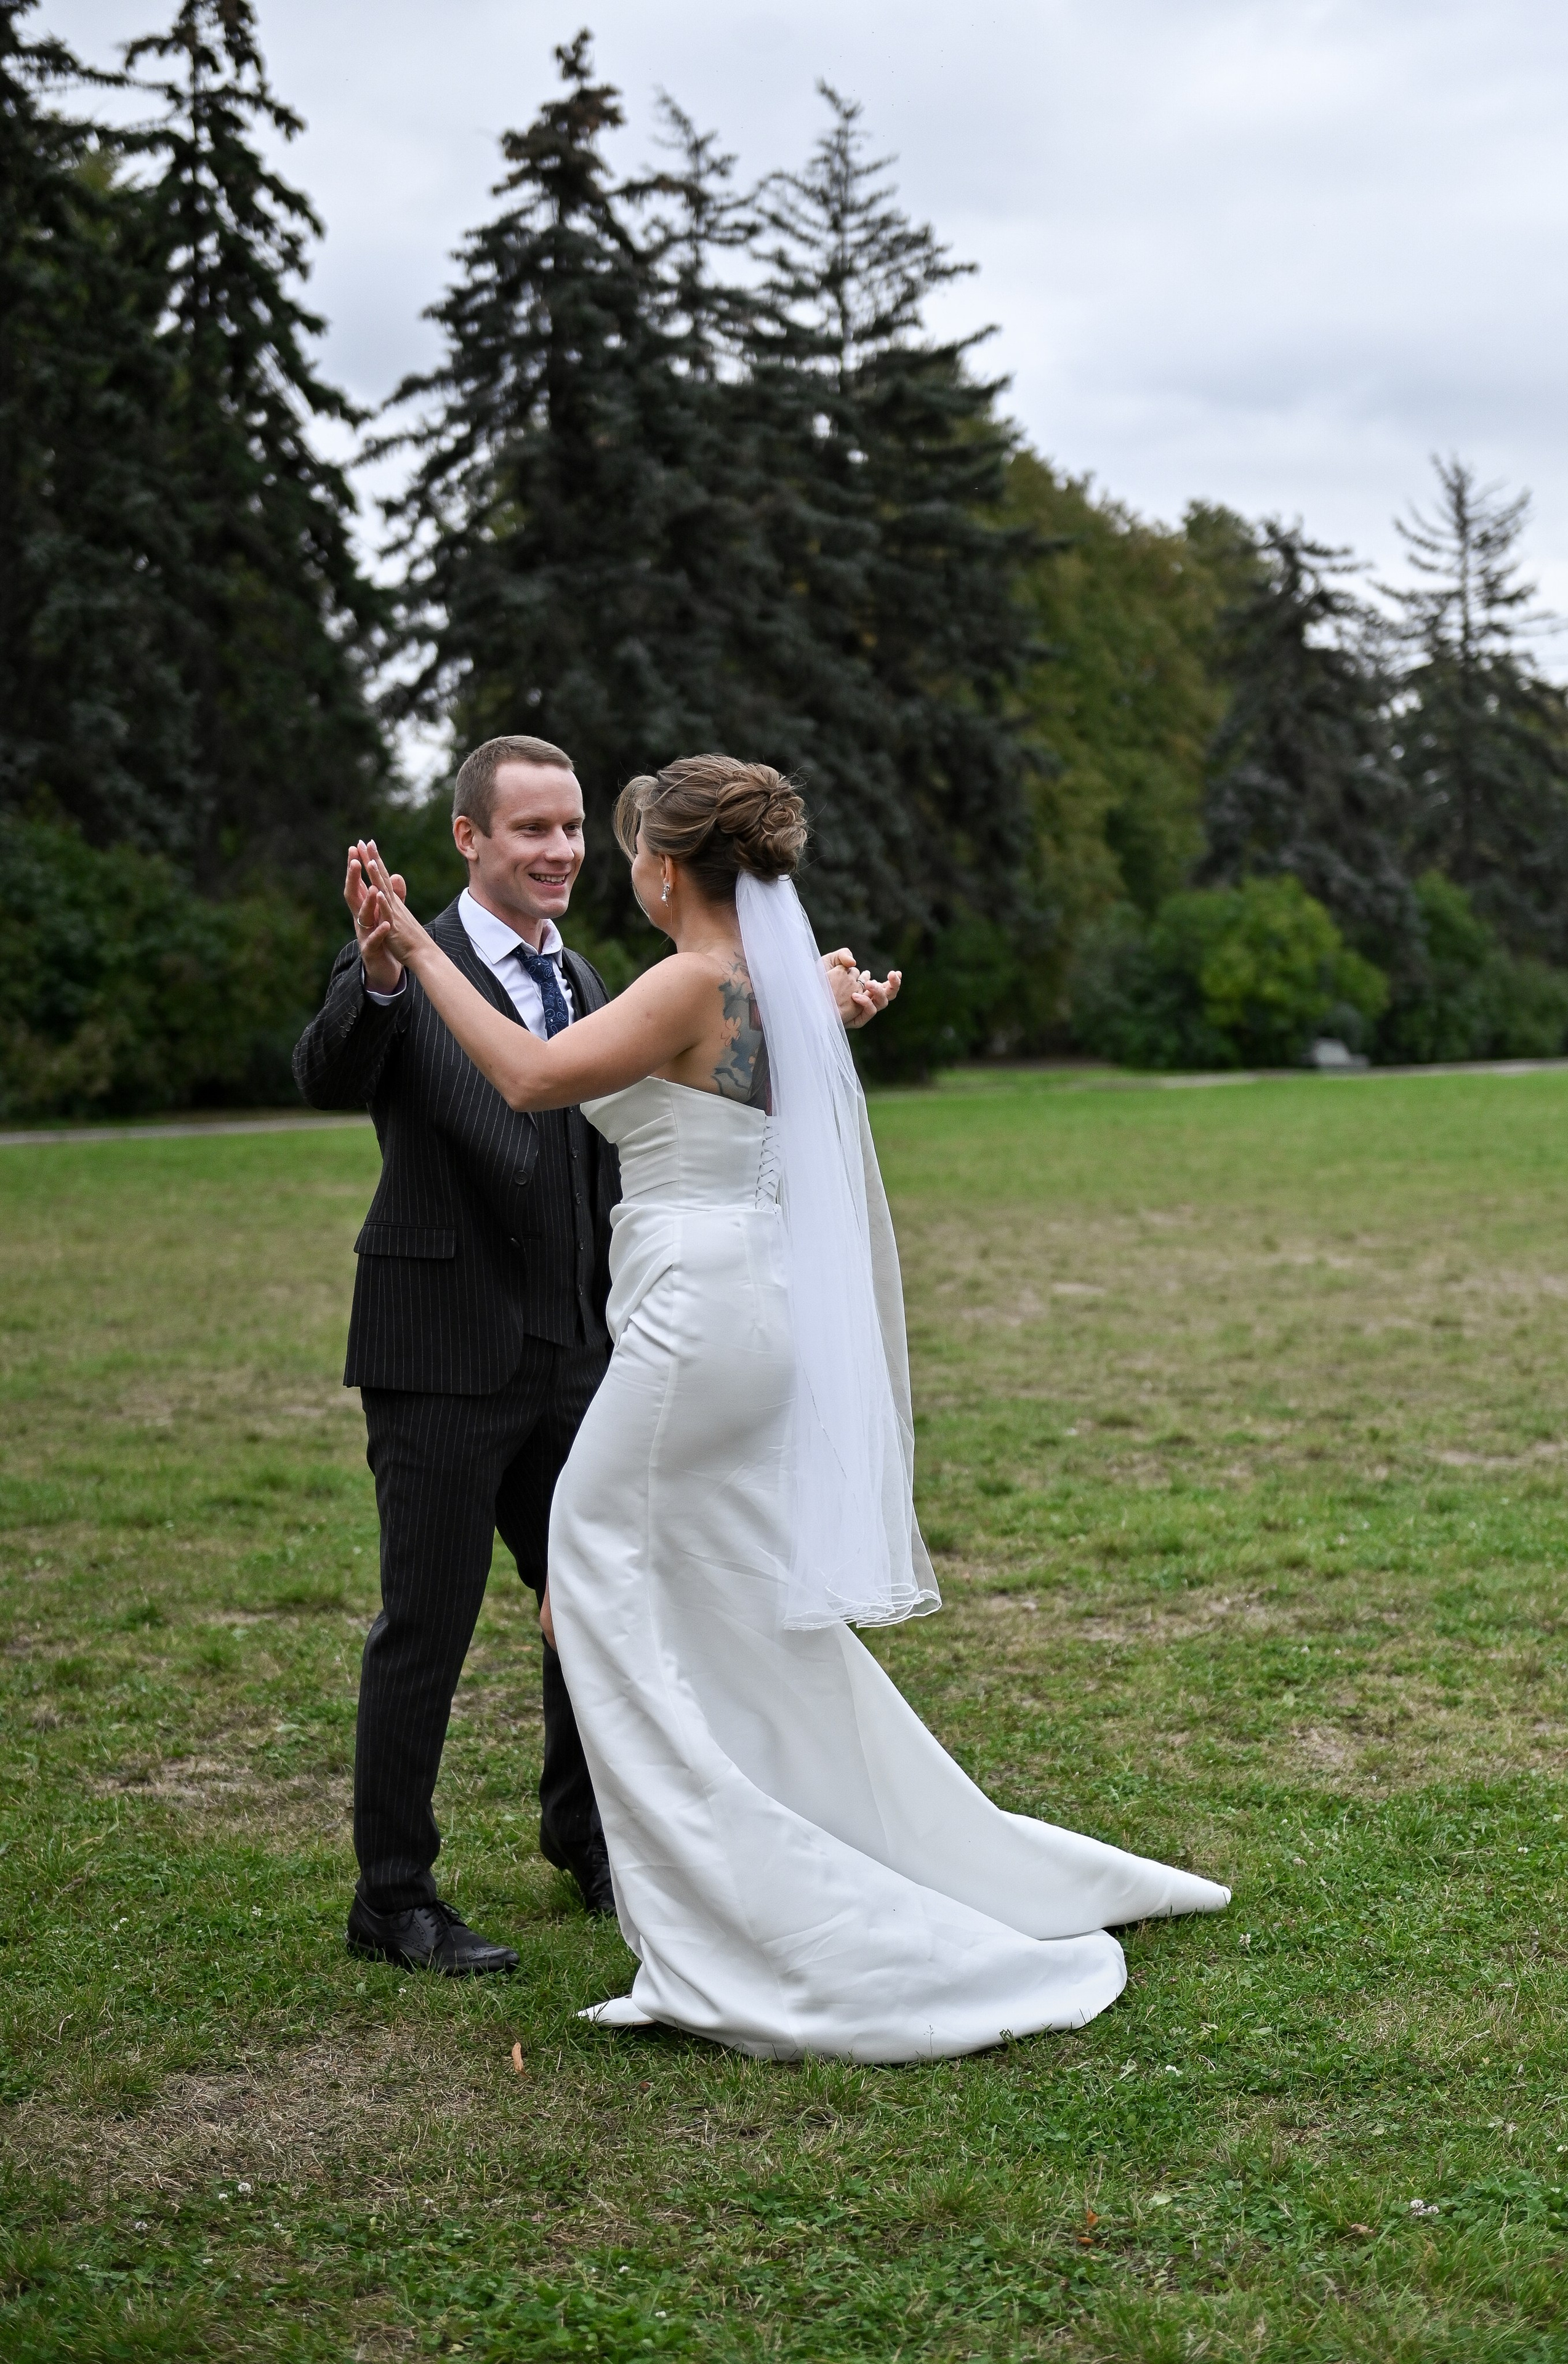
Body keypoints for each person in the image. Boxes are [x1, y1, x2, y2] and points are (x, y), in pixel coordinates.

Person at [352, 754, 1230, 2062]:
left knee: (589, 1586)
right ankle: (833, 1838)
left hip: (689, 1318)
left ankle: (739, 1903)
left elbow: (534, 1080)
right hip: (741, 1309)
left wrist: (420, 947)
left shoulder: (689, 980)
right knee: (712, 1596)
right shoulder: (774, 987)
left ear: (662, 868)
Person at [293, 736, 894, 1977]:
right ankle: (392, 1894)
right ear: (469, 839)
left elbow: (671, 1108)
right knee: (429, 1622)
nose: (564, 851)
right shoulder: (414, 957)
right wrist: (386, 965)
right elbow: (325, 1071)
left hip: (592, 1339)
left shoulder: (625, 977)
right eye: (533, 831)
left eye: (575, 829)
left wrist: (798, 1013)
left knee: (595, 1595)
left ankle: (588, 1840)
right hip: (444, 1346)